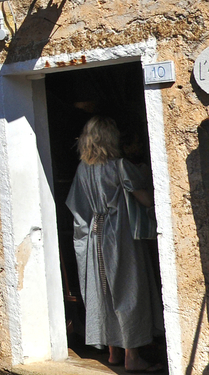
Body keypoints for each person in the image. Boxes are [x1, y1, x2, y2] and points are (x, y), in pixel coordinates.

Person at [66, 116, 164, 371]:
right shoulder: (119, 166)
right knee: (129, 291)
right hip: (120, 237)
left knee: (105, 292)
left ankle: (113, 353)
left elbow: (77, 208)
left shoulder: (82, 169)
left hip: (95, 236)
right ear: (111, 139)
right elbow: (144, 199)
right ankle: (132, 357)